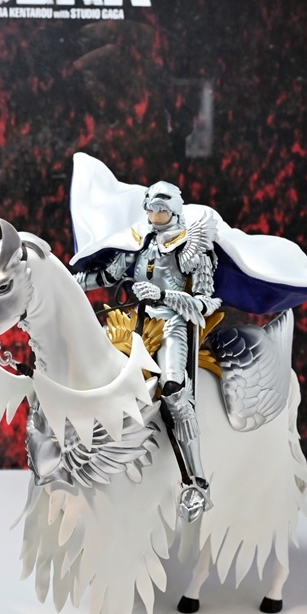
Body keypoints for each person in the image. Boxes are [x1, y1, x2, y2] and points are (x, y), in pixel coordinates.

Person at [74, 180, 219, 488]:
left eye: (161, 210)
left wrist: (163, 295)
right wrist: (69, 282)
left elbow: (206, 302)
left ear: (174, 211)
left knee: (174, 391)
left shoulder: (193, 247)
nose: (154, 216)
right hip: (136, 320)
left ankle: (195, 477)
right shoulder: (140, 242)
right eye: (151, 209)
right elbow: (107, 276)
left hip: (171, 325)